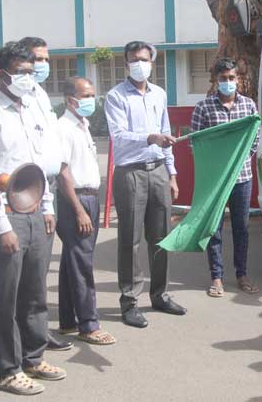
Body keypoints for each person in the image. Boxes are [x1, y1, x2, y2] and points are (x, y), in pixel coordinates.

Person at [0, 42, 67, 395]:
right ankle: (7, 370)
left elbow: (40, 165)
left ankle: (34, 357)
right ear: (1, 75)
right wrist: (1, 225)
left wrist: (49, 206)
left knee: (35, 292)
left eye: (30, 71)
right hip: (4, 217)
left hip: (36, 212)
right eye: (20, 71)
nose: (28, 77)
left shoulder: (32, 109)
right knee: (5, 297)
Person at [105, 41, 186, 328]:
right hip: (131, 173)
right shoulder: (116, 96)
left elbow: (166, 134)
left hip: (158, 172)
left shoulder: (159, 94)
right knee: (130, 240)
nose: (139, 64)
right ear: (126, 63)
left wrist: (172, 173)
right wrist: (150, 138)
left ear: (152, 62)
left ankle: (160, 294)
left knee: (161, 236)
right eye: (133, 60)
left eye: (144, 59)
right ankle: (129, 303)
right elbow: (118, 135)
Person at [16, 36, 74, 352]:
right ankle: (26, 337)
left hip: (46, 191)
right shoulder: (16, 99)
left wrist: (50, 201)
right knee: (26, 275)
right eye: (37, 59)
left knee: (39, 271)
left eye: (45, 59)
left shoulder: (39, 94)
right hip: (25, 193)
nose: (43, 65)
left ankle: (38, 331)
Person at [190, 58, 260, 297]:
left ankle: (242, 274)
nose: (228, 82)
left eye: (232, 78)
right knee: (215, 229)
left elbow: (255, 138)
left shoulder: (249, 106)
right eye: (223, 79)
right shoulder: (204, 107)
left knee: (241, 227)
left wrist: (242, 158)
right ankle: (216, 277)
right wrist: (217, 164)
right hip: (216, 181)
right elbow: (196, 142)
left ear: (238, 79)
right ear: (215, 80)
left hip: (242, 177)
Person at [55, 77, 116, 345]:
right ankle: (89, 325)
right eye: (87, 95)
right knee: (82, 264)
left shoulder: (82, 124)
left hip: (88, 197)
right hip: (75, 201)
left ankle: (69, 321)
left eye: (93, 94)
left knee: (72, 261)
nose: (92, 100)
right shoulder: (63, 128)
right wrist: (79, 210)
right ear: (71, 99)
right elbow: (63, 171)